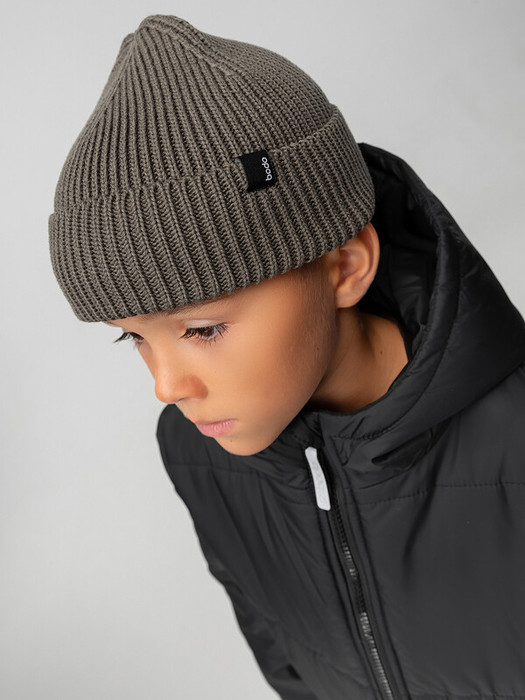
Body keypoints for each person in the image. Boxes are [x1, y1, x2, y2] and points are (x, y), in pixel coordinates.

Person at [48, 14, 525, 700]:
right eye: (135, 337)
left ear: (344, 266)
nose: (167, 386)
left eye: (202, 328)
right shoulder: (197, 454)